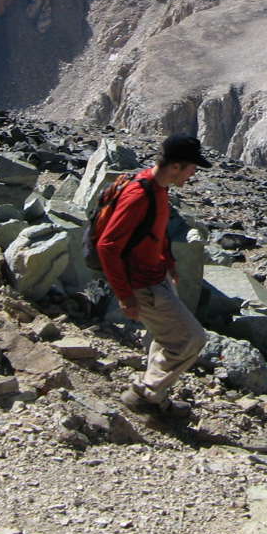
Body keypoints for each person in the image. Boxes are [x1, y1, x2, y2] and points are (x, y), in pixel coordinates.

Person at [97, 132, 212, 417]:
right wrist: (125, 297)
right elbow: (107, 246)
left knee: (167, 336)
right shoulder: (139, 195)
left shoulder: (156, 187)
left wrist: (169, 262)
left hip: (156, 276)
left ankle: (152, 394)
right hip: (144, 285)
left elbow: (154, 231)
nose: (193, 174)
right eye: (191, 168)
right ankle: (146, 395)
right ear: (176, 166)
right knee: (192, 339)